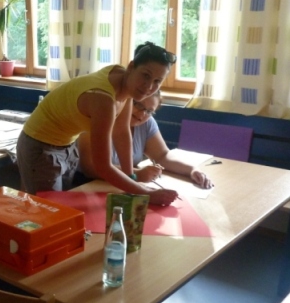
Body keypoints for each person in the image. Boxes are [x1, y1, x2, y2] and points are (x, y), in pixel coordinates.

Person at [16, 42, 179, 206]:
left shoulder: (126, 82)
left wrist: (131, 178)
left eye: (157, 81)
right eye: (145, 75)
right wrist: (146, 193)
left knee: (60, 208)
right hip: (40, 144)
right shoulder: (103, 99)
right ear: (131, 67)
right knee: (49, 210)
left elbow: (122, 132)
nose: (149, 86)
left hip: (67, 144)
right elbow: (103, 166)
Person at [76, 91, 214, 189]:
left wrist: (192, 170)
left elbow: (162, 155)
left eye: (149, 111)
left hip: (120, 186)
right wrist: (135, 174)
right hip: (87, 186)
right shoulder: (102, 117)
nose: (142, 114)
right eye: (138, 105)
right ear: (125, 101)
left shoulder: (147, 123)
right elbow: (90, 167)